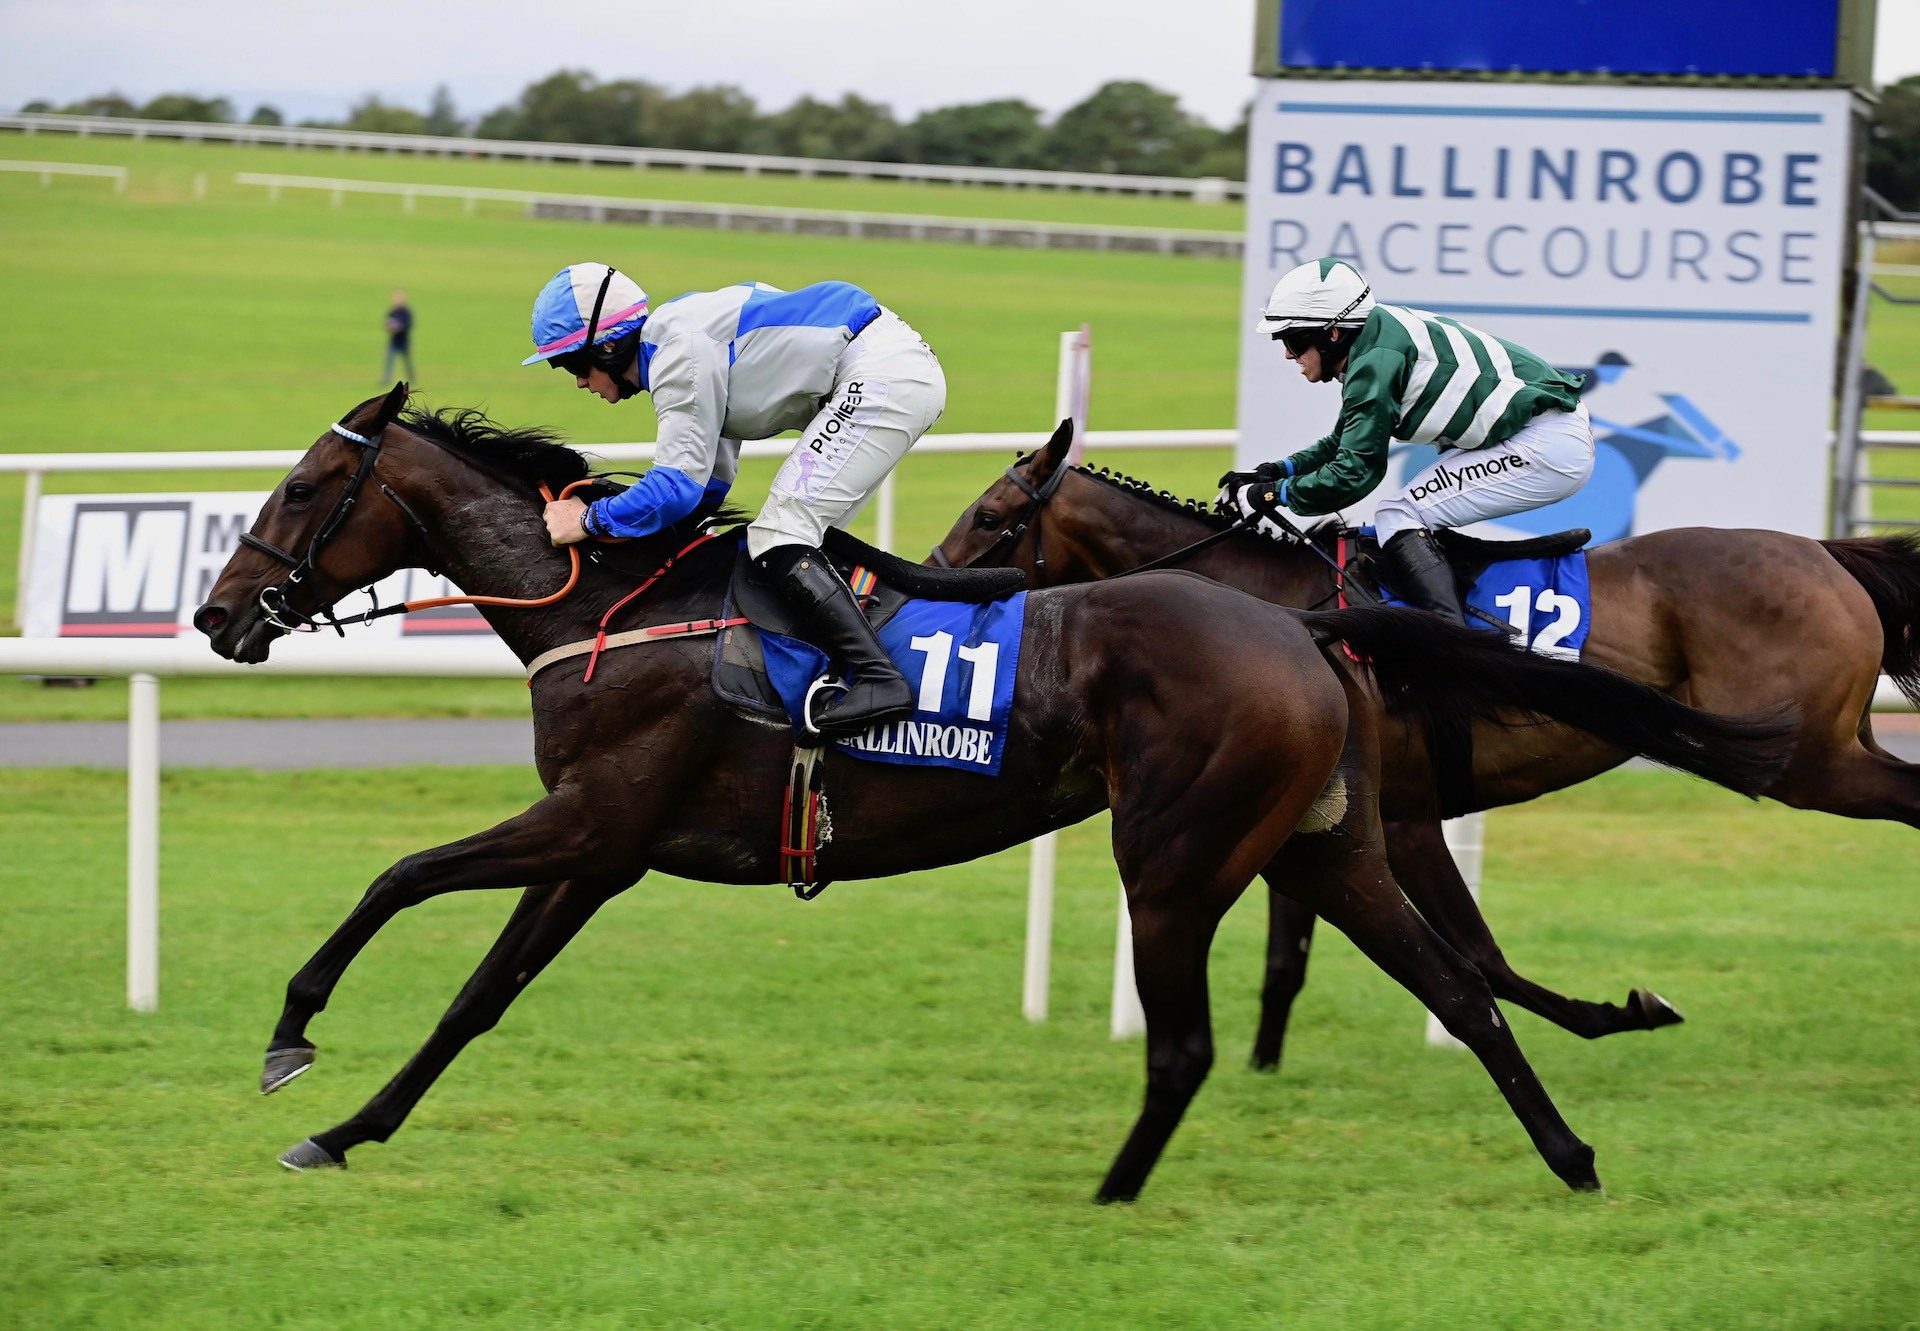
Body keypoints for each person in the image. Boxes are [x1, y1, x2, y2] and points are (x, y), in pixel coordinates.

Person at [526, 262, 946, 737]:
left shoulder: (677, 355)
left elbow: (675, 487)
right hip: (888, 369)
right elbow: (707, 488)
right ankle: (840, 666)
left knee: (779, 536)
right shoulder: (680, 343)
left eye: (573, 365)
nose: (580, 383)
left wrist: (590, 519)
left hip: (879, 375)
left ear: (608, 346)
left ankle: (880, 679)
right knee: (793, 541)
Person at [1219, 258, 1594, 627]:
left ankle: (1451, 643)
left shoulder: (1376, 361)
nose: (1287, 353)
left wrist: (1277, 494)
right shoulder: (1374, 338)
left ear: (1332, 334)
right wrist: (1278, 471)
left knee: (1399, 514)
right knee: (1407, 513)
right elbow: (1343, 439)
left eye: (1293, 339)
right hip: (1540, 433)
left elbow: (1355, 473)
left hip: (1544, 445)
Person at [382, 289, 414, 383]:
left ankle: (411, 377)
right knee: (389, 361)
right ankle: (387, 378)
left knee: (407, 361)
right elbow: (386, 322)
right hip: (394, 341)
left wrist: (399, 327)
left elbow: (409, 325)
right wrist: (389, 326)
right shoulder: (393, 312)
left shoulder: (406, 312)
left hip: (403, 341)